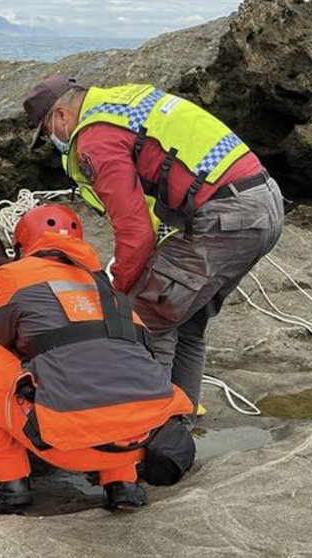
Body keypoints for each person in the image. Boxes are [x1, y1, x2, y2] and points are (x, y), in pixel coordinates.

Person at [23, 76, 285, 413]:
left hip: (225, 216)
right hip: (262, 203)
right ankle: (177, 432)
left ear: (60, 116)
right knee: (186, 323)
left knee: (144, 320)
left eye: (47, 134)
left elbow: (135, 232)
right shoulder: (123, 101)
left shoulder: (94, 139)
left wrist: (118, 292)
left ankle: (152, 433)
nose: (51, 142)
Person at [0, 207, 194, 512]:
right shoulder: (106, 287)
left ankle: (9, 485)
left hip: (69, 447)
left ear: (21, 248)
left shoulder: (13, 277)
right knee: (107, 361)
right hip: (144, 447)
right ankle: (121, 485)